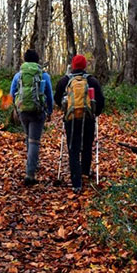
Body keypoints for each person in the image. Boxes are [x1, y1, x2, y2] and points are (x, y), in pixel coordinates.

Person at [54, 54, 105, 193]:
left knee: (73, 149)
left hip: (71, 118)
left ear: (73, 65)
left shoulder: (65, 81)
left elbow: (57, 98)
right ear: (85, 66)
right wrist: (96, 112)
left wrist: (65, 109)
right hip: (88, 118)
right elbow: (101, 101)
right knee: (87, 145)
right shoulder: (92, 81)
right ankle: (85, 172)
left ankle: (76, 183)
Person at [10, 49, 54, 186]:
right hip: (38, 111)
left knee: (29, 137)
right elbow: (50, 95)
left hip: (23, 111)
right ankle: (30, 174)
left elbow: (12, 94)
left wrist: (17, 108)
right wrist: (50, 111)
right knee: (34, 141)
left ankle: (32, 163)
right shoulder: (43, 75)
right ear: (37, 60)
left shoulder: (19, 75)